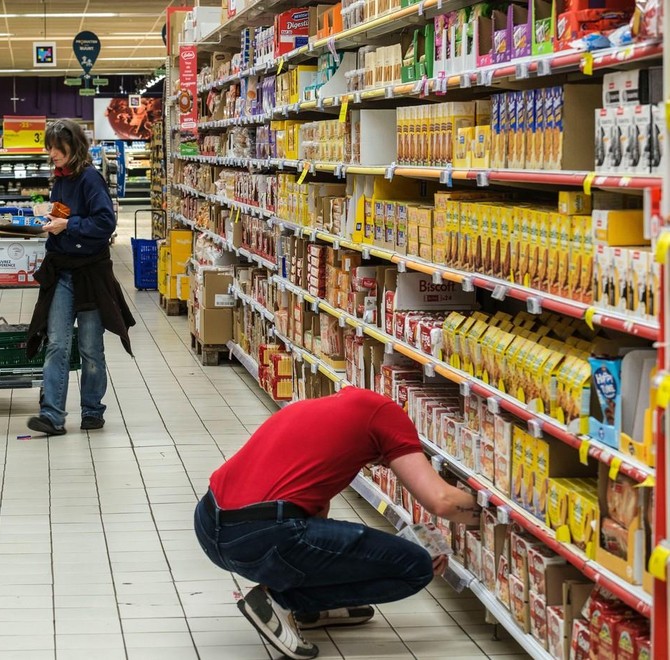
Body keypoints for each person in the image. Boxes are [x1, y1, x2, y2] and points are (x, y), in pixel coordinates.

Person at [194, 387, 480, 660]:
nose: (382, 465)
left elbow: (317, 517)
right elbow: (441, 500)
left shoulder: (322, 412)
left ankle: (311, 610)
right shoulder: (389, 417)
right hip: (263, 535)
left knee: (351, 543)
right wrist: (486, 515)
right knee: (415, 566)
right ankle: (283, 602)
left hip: (209, 526)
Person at [25, 120, 135, 436]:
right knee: (57, 342)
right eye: (50, 147)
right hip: (61, 272)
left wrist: (68, 226)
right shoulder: (59, 181)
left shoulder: (90, 179)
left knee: (90, 347)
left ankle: (92, 410)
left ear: (75, 147)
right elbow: (65, 215)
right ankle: (53, 417)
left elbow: (105, 223)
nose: (53, 153)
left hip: (90, 275)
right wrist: (52, 222)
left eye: (59, 147)